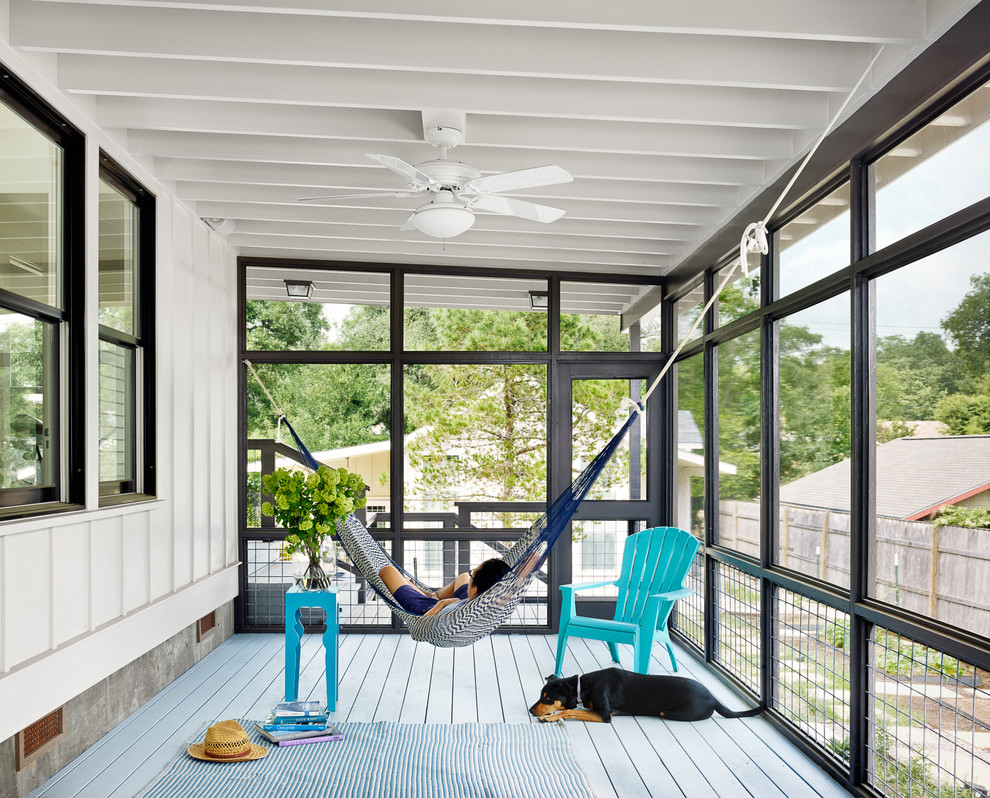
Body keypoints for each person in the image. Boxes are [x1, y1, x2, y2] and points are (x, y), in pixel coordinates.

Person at [378, 558, 511, 617]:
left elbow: (422, 628)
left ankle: (427, 596)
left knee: (388, 570)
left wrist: (442, 603)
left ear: (475, 589)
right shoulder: (494, 599)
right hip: (465, 602)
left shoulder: (454, 618)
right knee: (462, 576)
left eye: (472, 576)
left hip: (429, 610)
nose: (470, 577)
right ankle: (431, 595)